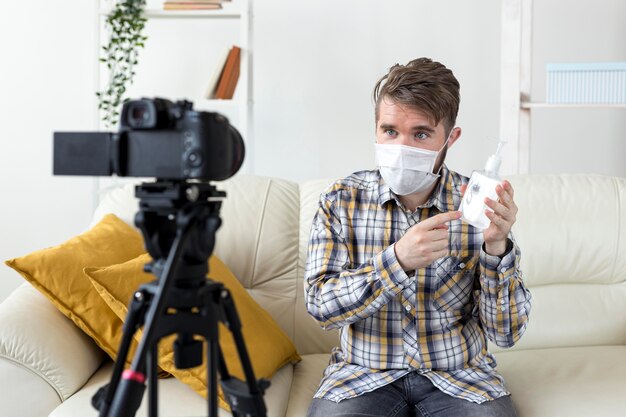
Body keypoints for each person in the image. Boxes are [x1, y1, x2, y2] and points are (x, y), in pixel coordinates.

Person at [304, 57, 532, 417]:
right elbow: (320, 307)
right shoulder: (341, 199)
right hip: (363, 375)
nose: (401, 146)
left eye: (421, 134)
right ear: (376, 129)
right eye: (390, 131)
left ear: (450, 138)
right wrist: (397, 261)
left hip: (459, 376)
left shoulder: (477, 203)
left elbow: (506, 334)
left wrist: (497, 248)